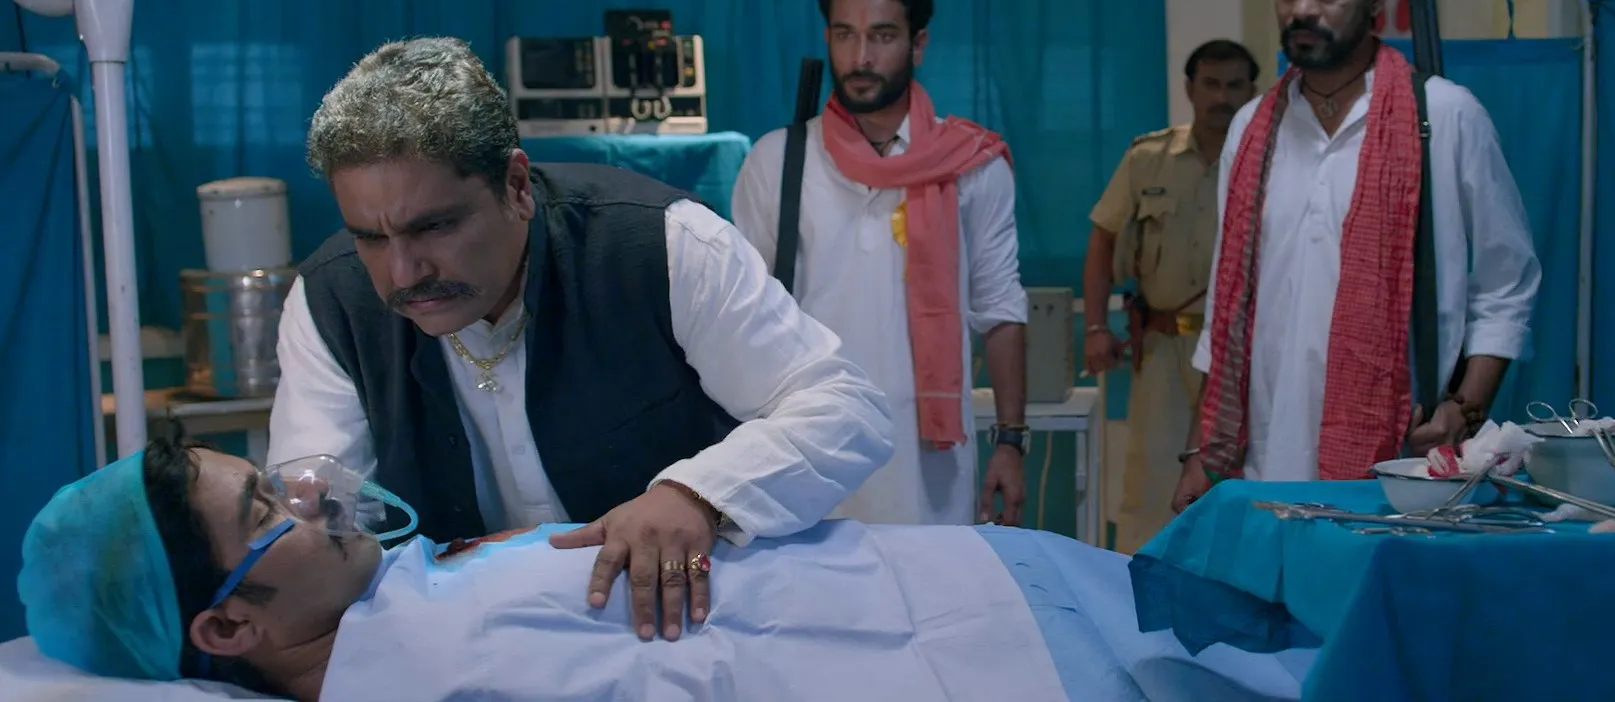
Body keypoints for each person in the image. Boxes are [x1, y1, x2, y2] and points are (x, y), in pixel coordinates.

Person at [266, 37, 894, 640]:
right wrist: (307, 530)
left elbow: (845, 408)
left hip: (683, 629)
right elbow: (318, 518)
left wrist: (700, 494)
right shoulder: (331, 303)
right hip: (470, 647)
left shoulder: (660, 246)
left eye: (434, 227)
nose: (404, 274)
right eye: (371, 238)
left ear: (516, 186)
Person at [12, 440, 1313, 701]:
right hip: (1013, 662)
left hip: (982, 582)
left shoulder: (406, 594)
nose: (307, 488)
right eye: (265, 506)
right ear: (225, 630)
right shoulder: (419, 676)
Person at [1173, 0, 1542, 510]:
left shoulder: (1444, 116)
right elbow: (1227, 308)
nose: (1302, 9)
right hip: (1262, 461)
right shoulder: (1252, 128)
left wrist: (1465, 408)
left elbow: (1508, 282)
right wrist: (1200, 451)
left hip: (1400, 467)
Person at [732, 0, 1032, 527]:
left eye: (883, 36)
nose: (861, 56)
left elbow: (1000, 309)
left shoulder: (971, 166)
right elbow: (743, 322)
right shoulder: (778, 161)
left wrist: (1011, 442)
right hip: (805, 460)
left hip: (931, 468)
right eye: (845, 35)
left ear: (919, 44)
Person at [1084, 40, 1258, 554]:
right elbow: (1103, 240)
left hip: (1239, 353)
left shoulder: (1266, 161)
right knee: (1151, 480)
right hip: (1162, 345)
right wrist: (1096, 327)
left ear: (1253, 92)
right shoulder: (1149, 159)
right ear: (1189, 89)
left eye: (1234, 86)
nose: (1222, 97)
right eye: (1211, 84)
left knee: (1236, 477)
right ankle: (1136, 586)